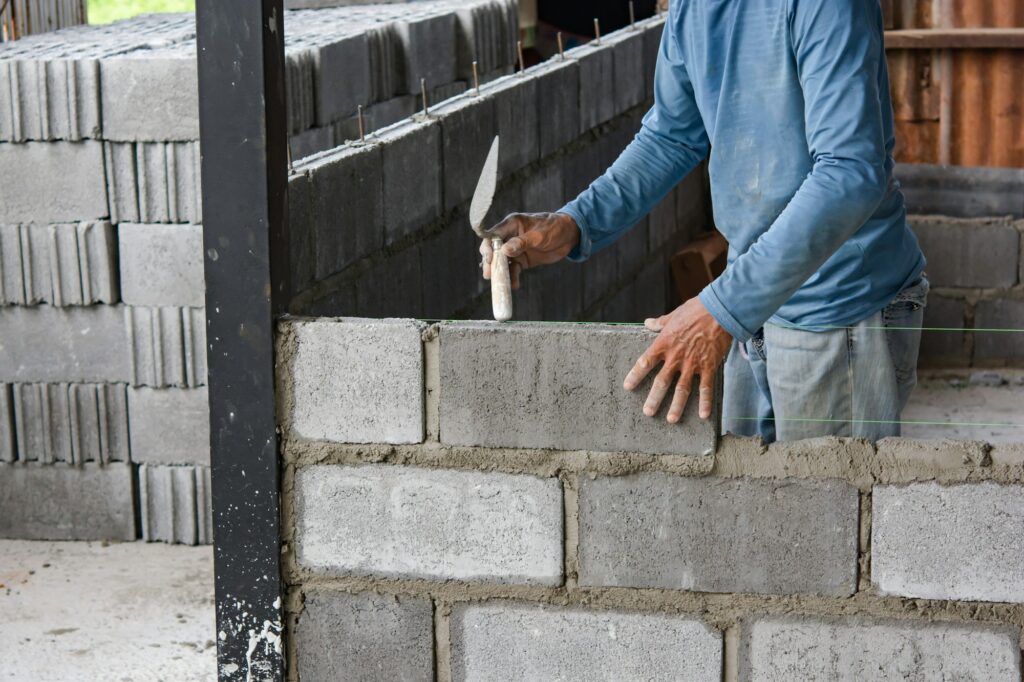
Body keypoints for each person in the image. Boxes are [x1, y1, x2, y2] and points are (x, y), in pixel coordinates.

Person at [481, 0, 928, 443]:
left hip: (838, 305)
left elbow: (850, 172)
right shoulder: (692, 7)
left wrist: (721, 309)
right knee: (755, 506)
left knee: (824, 508)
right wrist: (575, 222)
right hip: (754, 297)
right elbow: (672, 136)